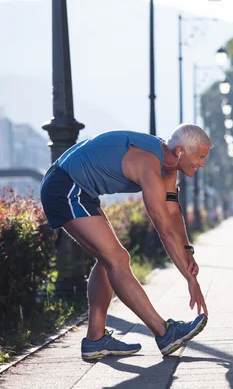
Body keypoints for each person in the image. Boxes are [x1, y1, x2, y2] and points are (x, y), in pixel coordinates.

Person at [40, 124, 211, 360]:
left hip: (80, 191)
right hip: (64, 187)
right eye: (200, 157)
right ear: (180, 151)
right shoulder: (148, 163)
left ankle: (95, 340)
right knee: (117, 260)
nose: (202, 163)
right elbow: (163, 229)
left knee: (109, 260)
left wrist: (187, 250)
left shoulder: (169, 167)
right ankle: (164, 333)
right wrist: (190, 279)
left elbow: (172, 213)